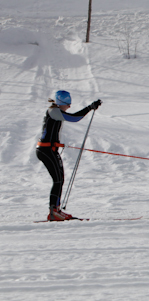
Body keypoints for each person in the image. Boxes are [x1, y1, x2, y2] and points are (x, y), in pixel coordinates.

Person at [36, 90, 102, 221]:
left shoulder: (56, 111)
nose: (69, 106)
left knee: (59, 179)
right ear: (61, 103)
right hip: (46, 151)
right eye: (68, 104)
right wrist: (89, 108)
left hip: (50, 150)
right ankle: (54, 212)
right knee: (58, 180)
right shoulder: (53, 111)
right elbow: (75, 118)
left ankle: (56, 210)